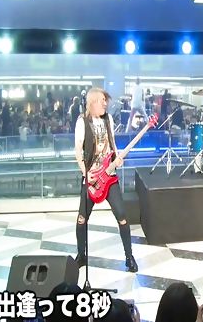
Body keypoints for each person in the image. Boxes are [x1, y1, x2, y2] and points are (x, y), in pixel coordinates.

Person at [74, 87, 137, 272]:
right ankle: (81, 255)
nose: (105, 103)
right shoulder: (82, 121)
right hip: (91, 177)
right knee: (82, 219)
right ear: (92, 102)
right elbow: (78, 150)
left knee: (122, 216)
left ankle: (129, 257)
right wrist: (85, 172)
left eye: (105, 100)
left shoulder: (108, 119)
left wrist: (117, 158)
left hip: (109, 175)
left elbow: (112, 143)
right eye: (102, 100)